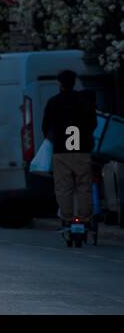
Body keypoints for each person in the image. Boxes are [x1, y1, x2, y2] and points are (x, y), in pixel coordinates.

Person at [42, 69, 97, 234]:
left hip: (61, 151)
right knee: (83, 186)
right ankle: (85, 219)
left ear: (59, 83)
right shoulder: (84, 101)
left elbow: (46, 127)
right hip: (81, 150)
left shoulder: (53, 102)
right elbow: (93, 123)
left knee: (63, 187)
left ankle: (67, 219)